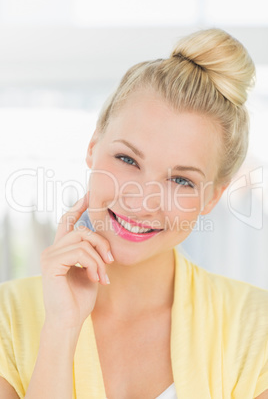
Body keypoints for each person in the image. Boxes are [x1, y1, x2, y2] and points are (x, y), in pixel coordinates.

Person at [0, 28, 268, 399]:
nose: (141, 202)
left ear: (211, 198)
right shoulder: (6, 320)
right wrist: (60, 329)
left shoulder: (256, 329)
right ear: (93, 148)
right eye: (127, 159)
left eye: (181, 180)